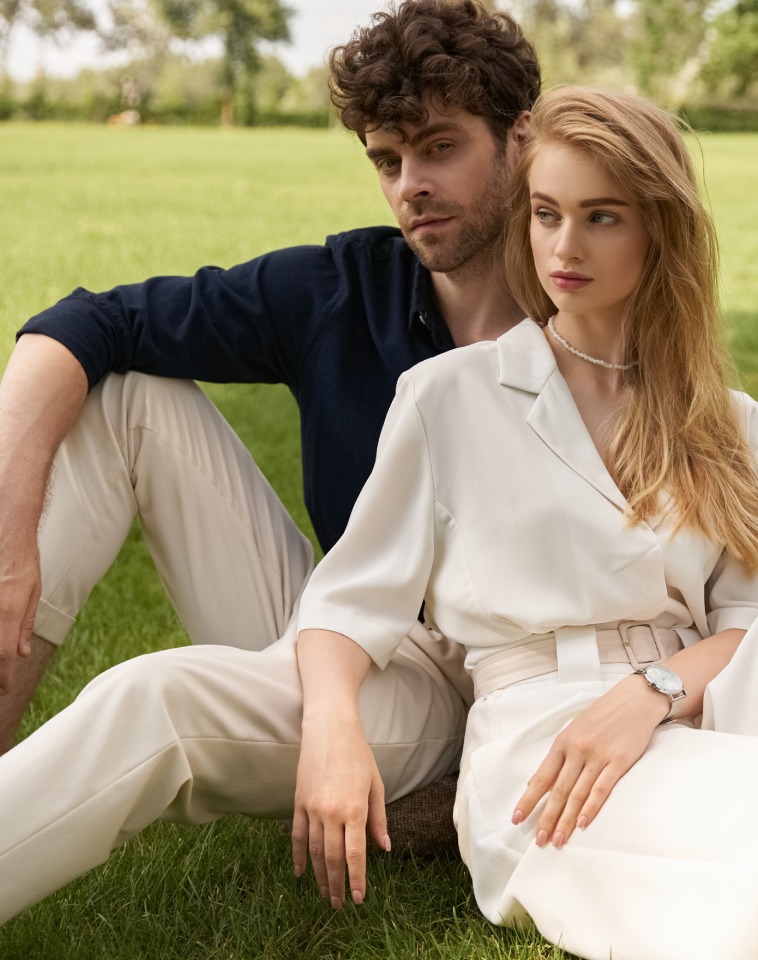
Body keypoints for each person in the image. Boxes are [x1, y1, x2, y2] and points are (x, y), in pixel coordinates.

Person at [291, 86, 758, 958]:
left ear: (660, 232)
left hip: (693, 706)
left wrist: (650, 695)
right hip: (550, 751)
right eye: (545, 214)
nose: (564, 247)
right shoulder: (447, 397)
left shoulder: (733, 422)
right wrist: (331, 731)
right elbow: (347, 602)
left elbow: (750, 627)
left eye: (601, 217)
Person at [0, 0, 539, 842]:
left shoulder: (589, 312)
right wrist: (8, 543)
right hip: (343, 635)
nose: (411, 187)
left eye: (440, 147)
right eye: (387, 160)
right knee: (130, 396)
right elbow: (84, 323)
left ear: (522, 138)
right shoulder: (345, 288)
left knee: (158, 699)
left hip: (477, 692)